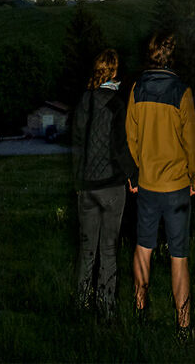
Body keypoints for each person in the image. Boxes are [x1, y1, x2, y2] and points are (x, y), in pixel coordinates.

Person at [124, 32, 195, 333]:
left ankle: (140, 310)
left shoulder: (135, 89)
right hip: (177, 188)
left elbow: (131, 138)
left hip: (147, 185)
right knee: (178, 256)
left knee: (143, 247)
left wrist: (141, 169)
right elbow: (192, 144)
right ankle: (183, 326)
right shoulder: (182, 91)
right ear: (172, 56)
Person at [68, 48, 137, 317]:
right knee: (108, 250)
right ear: (115, 71)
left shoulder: (84, 101)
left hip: (85, 187)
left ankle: (81, 304)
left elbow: (77, 144)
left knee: (87, 251)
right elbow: (120, 148)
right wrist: (133, 176)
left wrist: (78, 181)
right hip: (110, 186)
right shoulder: (116, 103)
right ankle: (106, 309)